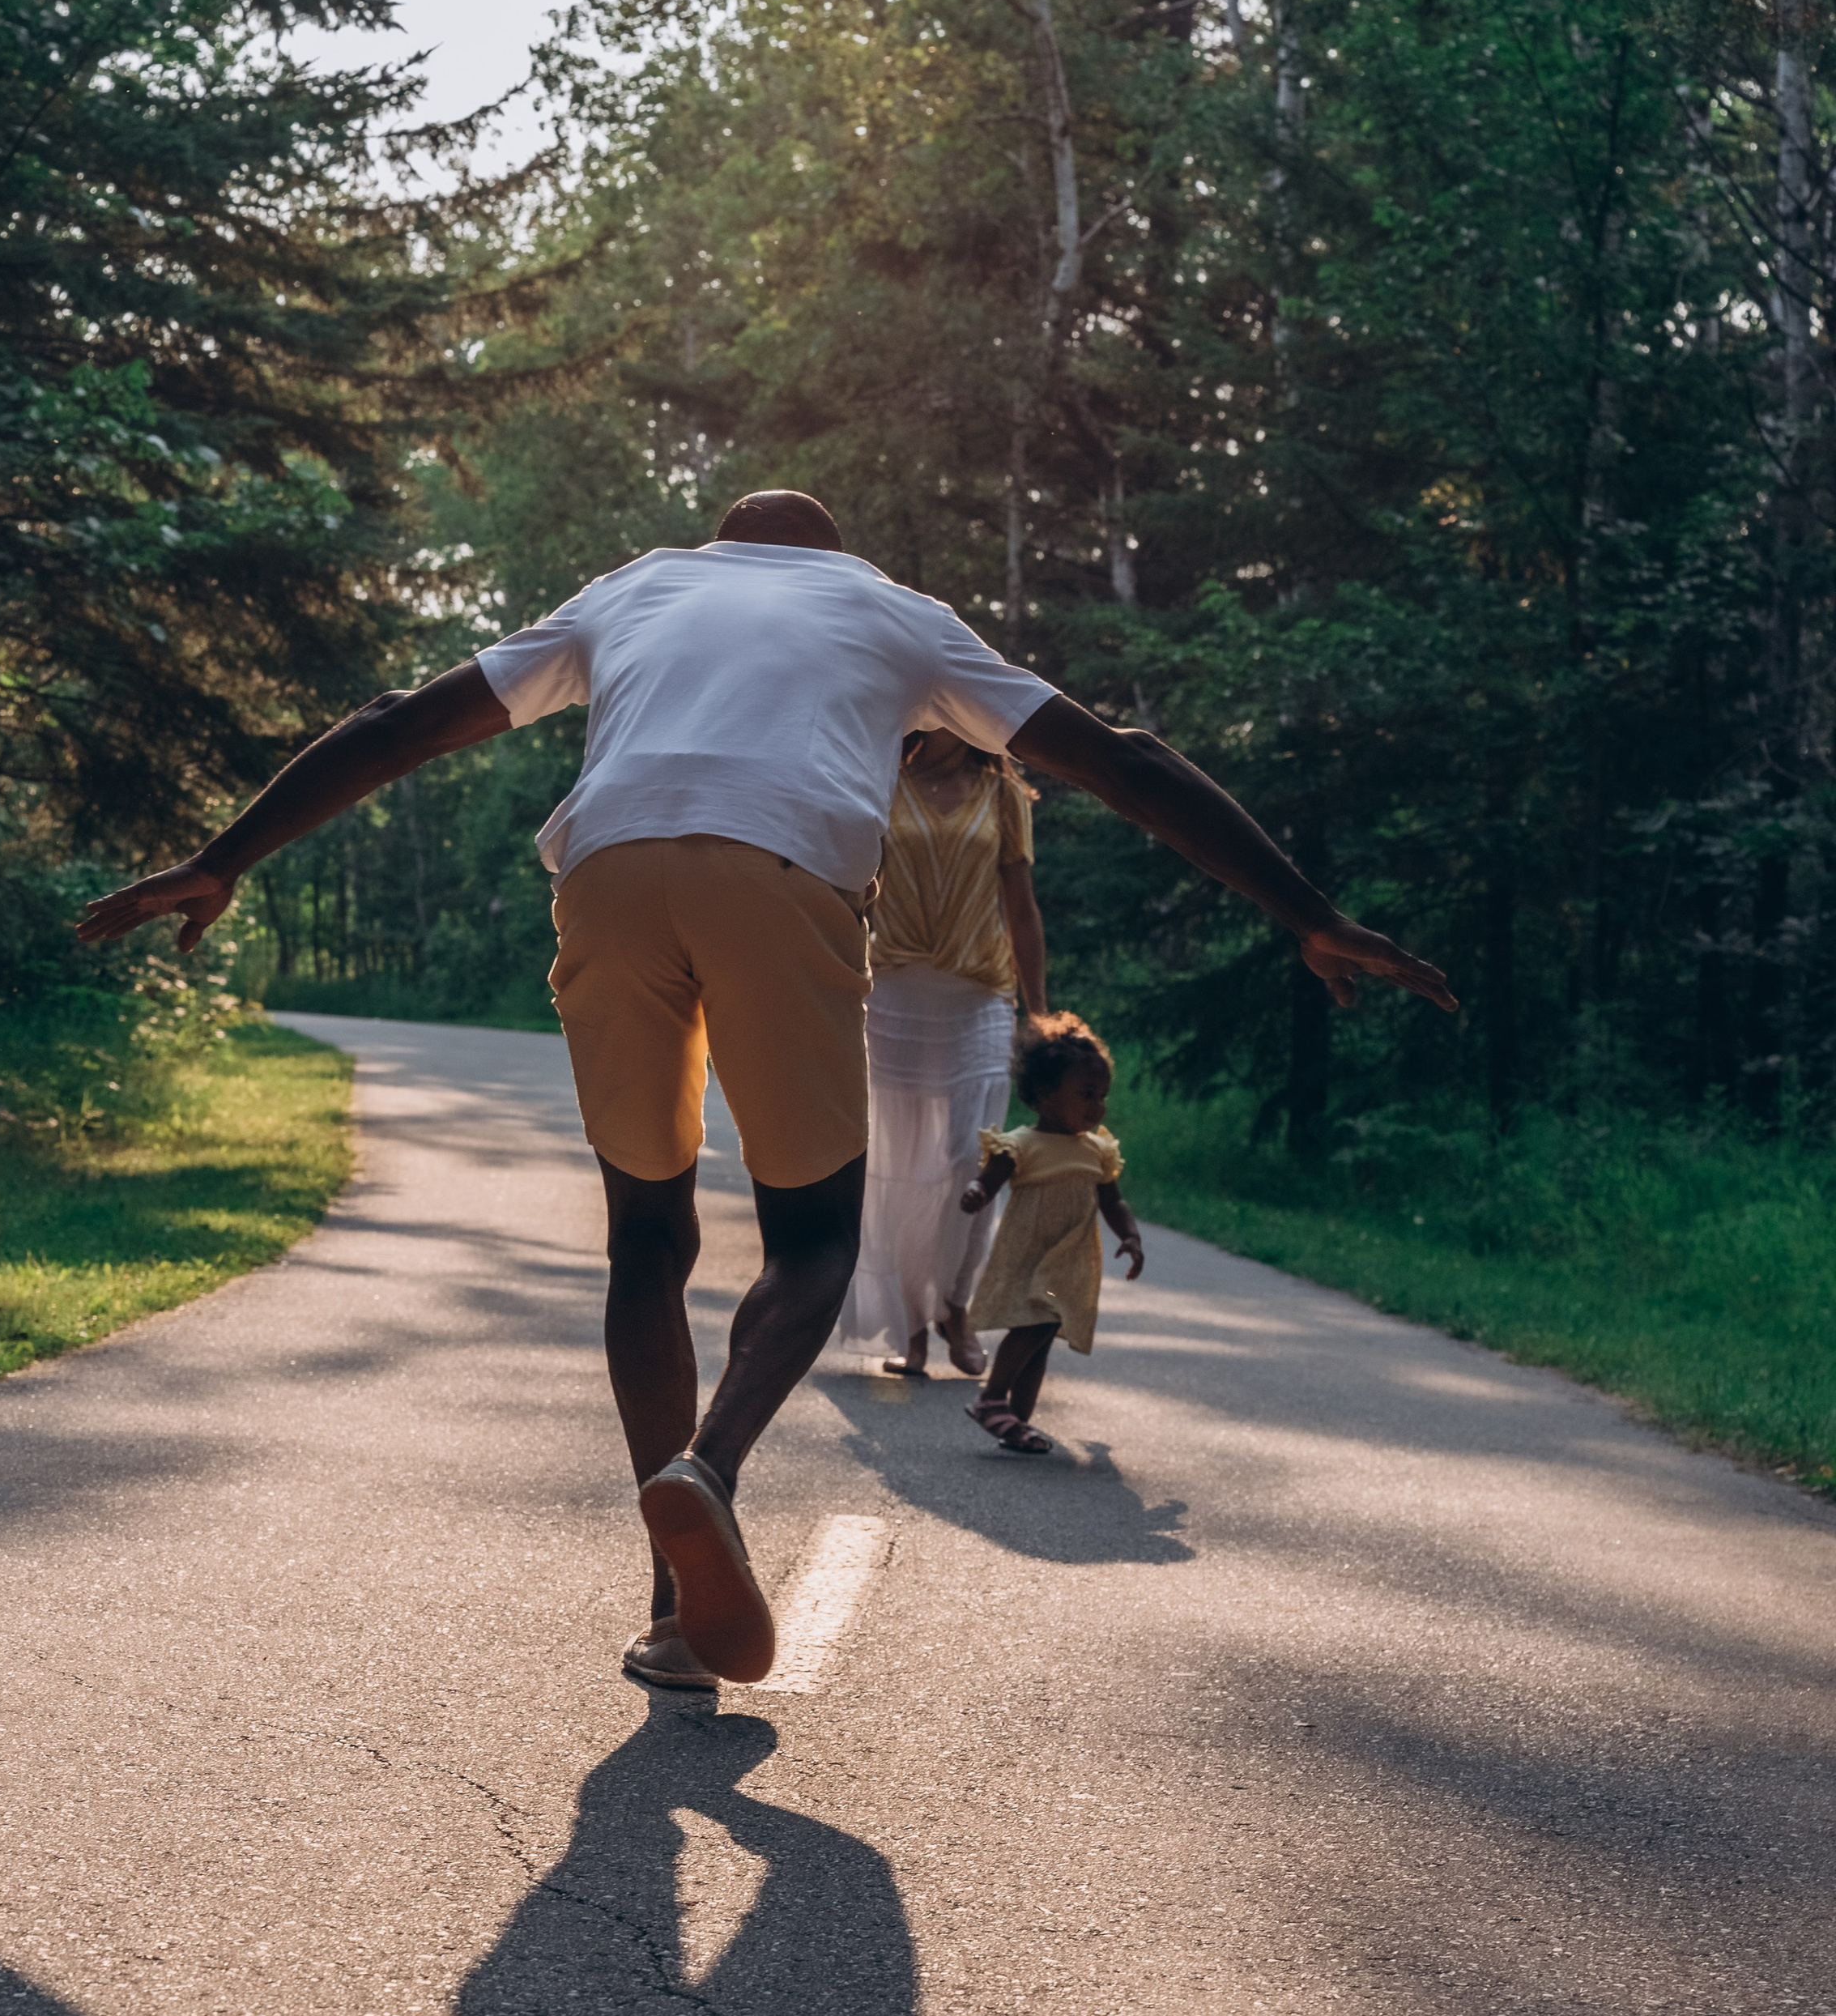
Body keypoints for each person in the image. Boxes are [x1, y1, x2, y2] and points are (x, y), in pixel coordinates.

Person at [75, 488, 1455, 1691]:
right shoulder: (892, 611)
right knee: (810, 1239)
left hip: (607, 876)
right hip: (782, 874)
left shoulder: (637, 587)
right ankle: (712, 1468)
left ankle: (675, 1609)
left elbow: (401, 722)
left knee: (648, 1236)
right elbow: (1123, 757)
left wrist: (227, 855)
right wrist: (1306, 911)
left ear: (718, 547)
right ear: (831, 558)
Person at [838, 732, 1045, 1380]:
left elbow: (1021, 905)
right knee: (901, 1165)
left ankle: (956, 1302)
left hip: (981, 990)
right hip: (895, 986)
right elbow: (847, 885)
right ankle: (913, 1325)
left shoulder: (1004, 791)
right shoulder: (879, 775)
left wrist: (1037, 1012)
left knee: (968, 1158)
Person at [956, 1012, 1144, 1456]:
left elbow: (1112, 1201)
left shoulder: (1097, 1150)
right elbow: (992, 1177)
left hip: (1072, 1257)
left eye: (1102, 1096)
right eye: (1085, 1094)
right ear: (1044, 1095)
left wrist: (1131, 1236)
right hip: (1029, 1252)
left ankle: (1016, 1422)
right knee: (1035, 1322)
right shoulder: (1023, 1143)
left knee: (1043, 1335)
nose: (1097, 1106)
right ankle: (991, 1399)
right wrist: (977, 1192)